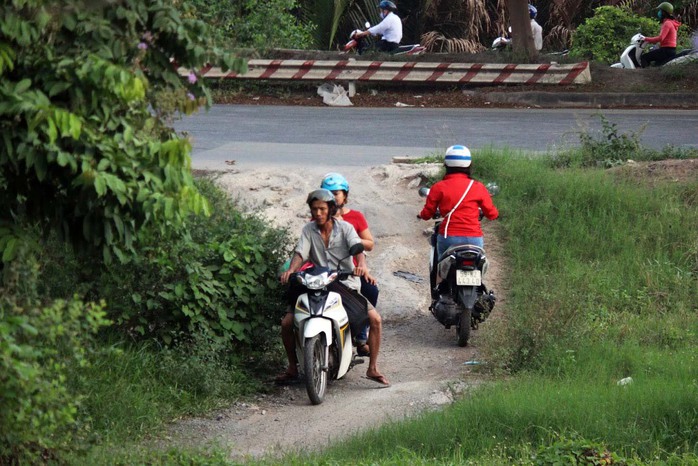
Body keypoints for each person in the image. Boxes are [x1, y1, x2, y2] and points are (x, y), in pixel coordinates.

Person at [277, 189, 389, 386]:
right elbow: (300, 253)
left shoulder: (345, 228)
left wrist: (361, 266)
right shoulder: (308, 230)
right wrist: (291, 271)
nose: (318, 213)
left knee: (375, 319)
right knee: (287, 323)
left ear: (330, 209)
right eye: (314, 209)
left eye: (322, 209)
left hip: (343, 283)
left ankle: (373, 368)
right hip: (315, 283)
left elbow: (358, 247)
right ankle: (293, 367)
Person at [321, 173, 378, 357]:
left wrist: (351, 237)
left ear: (345, 195)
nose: (332, 197)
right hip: (325, 271)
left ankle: (361, 336)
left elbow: (369, 243)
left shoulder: (355, 217)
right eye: (328, 193)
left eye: (336, 193)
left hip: (353, 270)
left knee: (371, 291)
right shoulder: (317, 220)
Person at [417, 144, 499, 264]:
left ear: (446, 165)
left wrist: (422, 215)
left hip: (449, 237)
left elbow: (427, 213)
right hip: (474, 239)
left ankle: (439, 282)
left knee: (441, 266)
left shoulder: (438, 187)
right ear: (469, 165)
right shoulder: (478, 187)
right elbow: (492, 214)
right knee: (478, 265)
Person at [641, 2, 681, 68]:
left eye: (660, 11)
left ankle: (643, 76)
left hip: (666, 51)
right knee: (656, 64)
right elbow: (665, 39)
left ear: (664, 12)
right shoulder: (671, 22)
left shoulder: (667, 23)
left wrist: (645, 38)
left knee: (644, 57)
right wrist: (653, 42)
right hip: (670, 50)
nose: (659, 12)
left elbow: (661, 38)